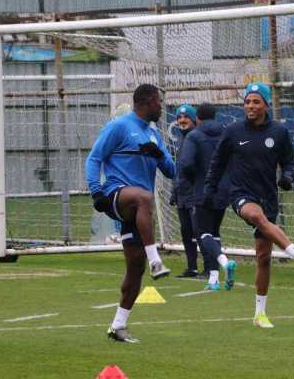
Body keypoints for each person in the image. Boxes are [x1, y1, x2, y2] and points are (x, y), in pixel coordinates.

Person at [204, 83, 294, 329]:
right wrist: (210, 188)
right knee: (256, 216)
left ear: (266, 105)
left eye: (256, 102)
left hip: (268, 197)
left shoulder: (278, 132)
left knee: (263, 257)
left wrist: (288, 177)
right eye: (247, 102)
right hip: (240, 194)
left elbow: (289, 162)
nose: (251, 106)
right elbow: (217, 162)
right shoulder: (233, 131)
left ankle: (259, 313)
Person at [85, 83, 176, 343]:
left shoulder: (153, 133)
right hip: (116, 195)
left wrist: (158, 154)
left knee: (134, 270)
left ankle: (118, 326)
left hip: (139, 210)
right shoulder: (119, 126)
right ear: (147, 101)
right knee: (144, 196)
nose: (161, 106)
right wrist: (96, 192)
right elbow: (94, 158)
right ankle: (156, 259)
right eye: (158, 101)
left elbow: (171, 171)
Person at [178, 103, 236, 291]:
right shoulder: (226, 133)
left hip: (201, 190)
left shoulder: (194, 136)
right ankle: (213, 279)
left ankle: (225, 262)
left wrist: (193, 179)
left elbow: (185, 163)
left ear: (198, 118)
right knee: (215, 233)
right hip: (223, 190)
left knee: (203, 233)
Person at [169, 104, 203, 278]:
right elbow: (179, 170)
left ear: (194, 119)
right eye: (179, 117)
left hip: (195, 194)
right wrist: (174, 192)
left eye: (186, 117)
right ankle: (192, 267)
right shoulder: (180, 139)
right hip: (182, 194)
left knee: (200, 231)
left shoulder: (197, 138)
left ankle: (209, 268)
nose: (182, 120)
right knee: (186, 231)